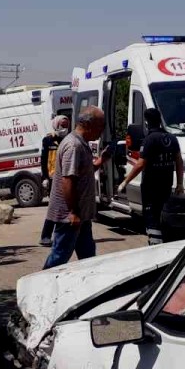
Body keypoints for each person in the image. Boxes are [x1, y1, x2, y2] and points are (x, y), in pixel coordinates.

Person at [43, 106, 111, 270]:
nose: (102, 131)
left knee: (87, 257)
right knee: (59, 257)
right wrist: (72, 212)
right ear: (88, 124)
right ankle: (40, 288)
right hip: (71, 217)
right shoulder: (74, 145)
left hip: (82, 215)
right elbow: (68, 180)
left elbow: (83, 173)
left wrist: (102, 160)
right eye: (101, 126)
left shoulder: (81, 143)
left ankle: (90, 288)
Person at [118, 107, 183, 245]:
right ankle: (159, 241)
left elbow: (140, 164)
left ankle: (155, 246)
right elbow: (179, 161)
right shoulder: (172, 138)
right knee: (158, 213)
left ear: (147, 123)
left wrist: (125, 181)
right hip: (166, 184)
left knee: (150, 216)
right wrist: (180, 184)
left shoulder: (149, 139)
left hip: (151, 186)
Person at [38, 114, 70, 246]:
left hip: (65, 176)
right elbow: (44, 160)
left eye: (66, 125)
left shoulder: (69, 139)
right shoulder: (48, 140)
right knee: (54, 207)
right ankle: (45, 236)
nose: (64, 128)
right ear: (56, 124)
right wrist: (44, 177)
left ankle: (62, 235)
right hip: (52, 178)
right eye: (62, 125)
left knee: (66, 207)